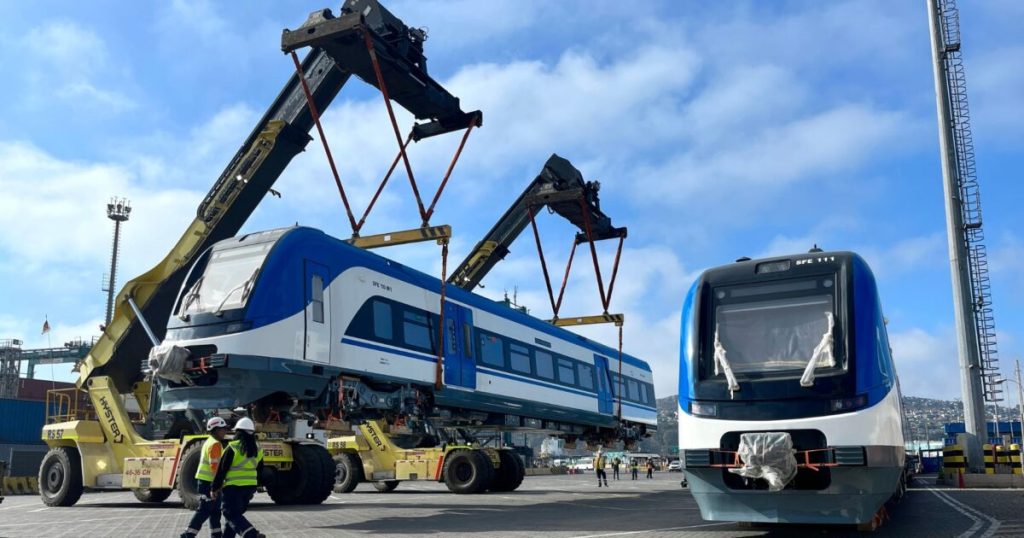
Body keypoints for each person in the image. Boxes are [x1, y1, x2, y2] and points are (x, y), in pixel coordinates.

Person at [211, 418, 265, 538]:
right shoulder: (258, 448)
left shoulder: (233, 447)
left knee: (228, 513)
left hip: (233, 487)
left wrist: (214, 488)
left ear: (238, 432)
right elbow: (260, 469)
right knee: (235, 515)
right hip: (250, 487)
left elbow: (221, 470)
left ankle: (252, 534)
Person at [180, 417, 229, 538]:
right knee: (205, 510)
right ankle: (188, 534)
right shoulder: (215, 444)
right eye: (223, 429)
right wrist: (218, 484)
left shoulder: (209, 441)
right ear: (216, 430)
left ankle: (216, 534)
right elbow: (215, 466)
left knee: (215, 511)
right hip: (209, 483)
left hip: (207, 481)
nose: (225, 432)